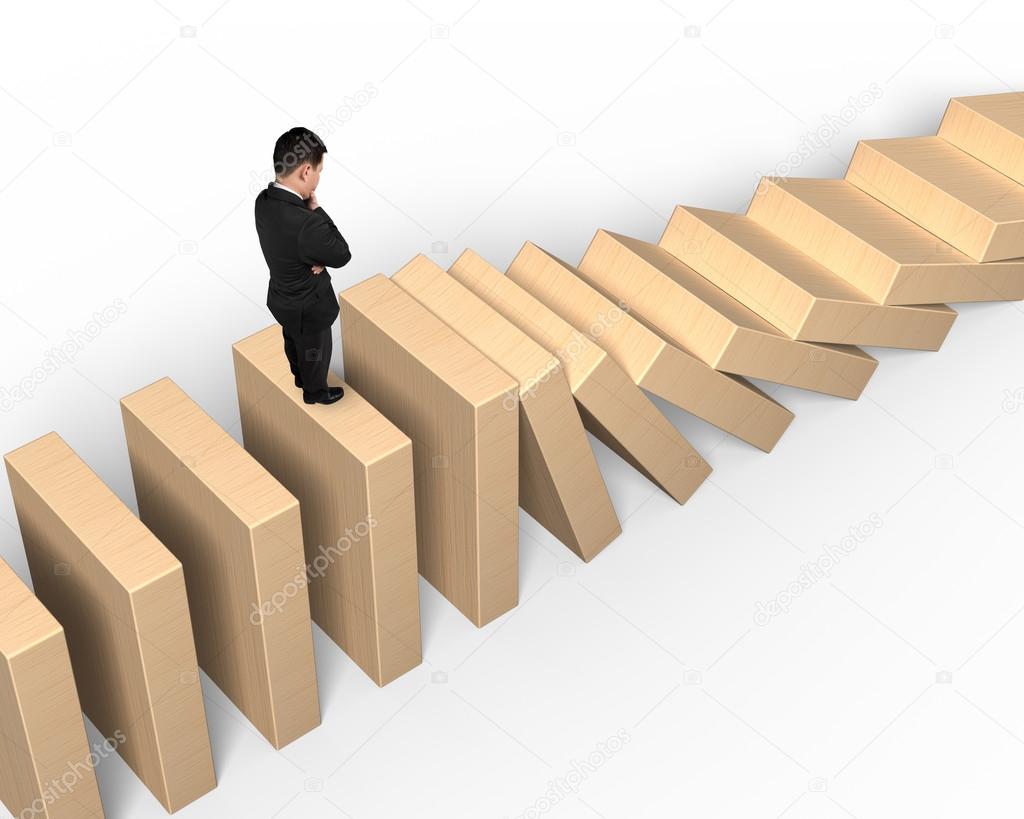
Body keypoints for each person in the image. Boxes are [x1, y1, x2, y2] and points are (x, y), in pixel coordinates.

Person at [254, 127, 351, 405]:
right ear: (306, 171)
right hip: (310, 307)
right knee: (316, 351)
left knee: (293, 342)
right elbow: (342, 254)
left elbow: (285, 243)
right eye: (319, 171)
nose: (319, 178)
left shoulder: (263, 201)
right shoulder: (307, 222)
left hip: (282, 299)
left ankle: (298, 376)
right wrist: (317, 210)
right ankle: (315, 392)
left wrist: (312, 254)